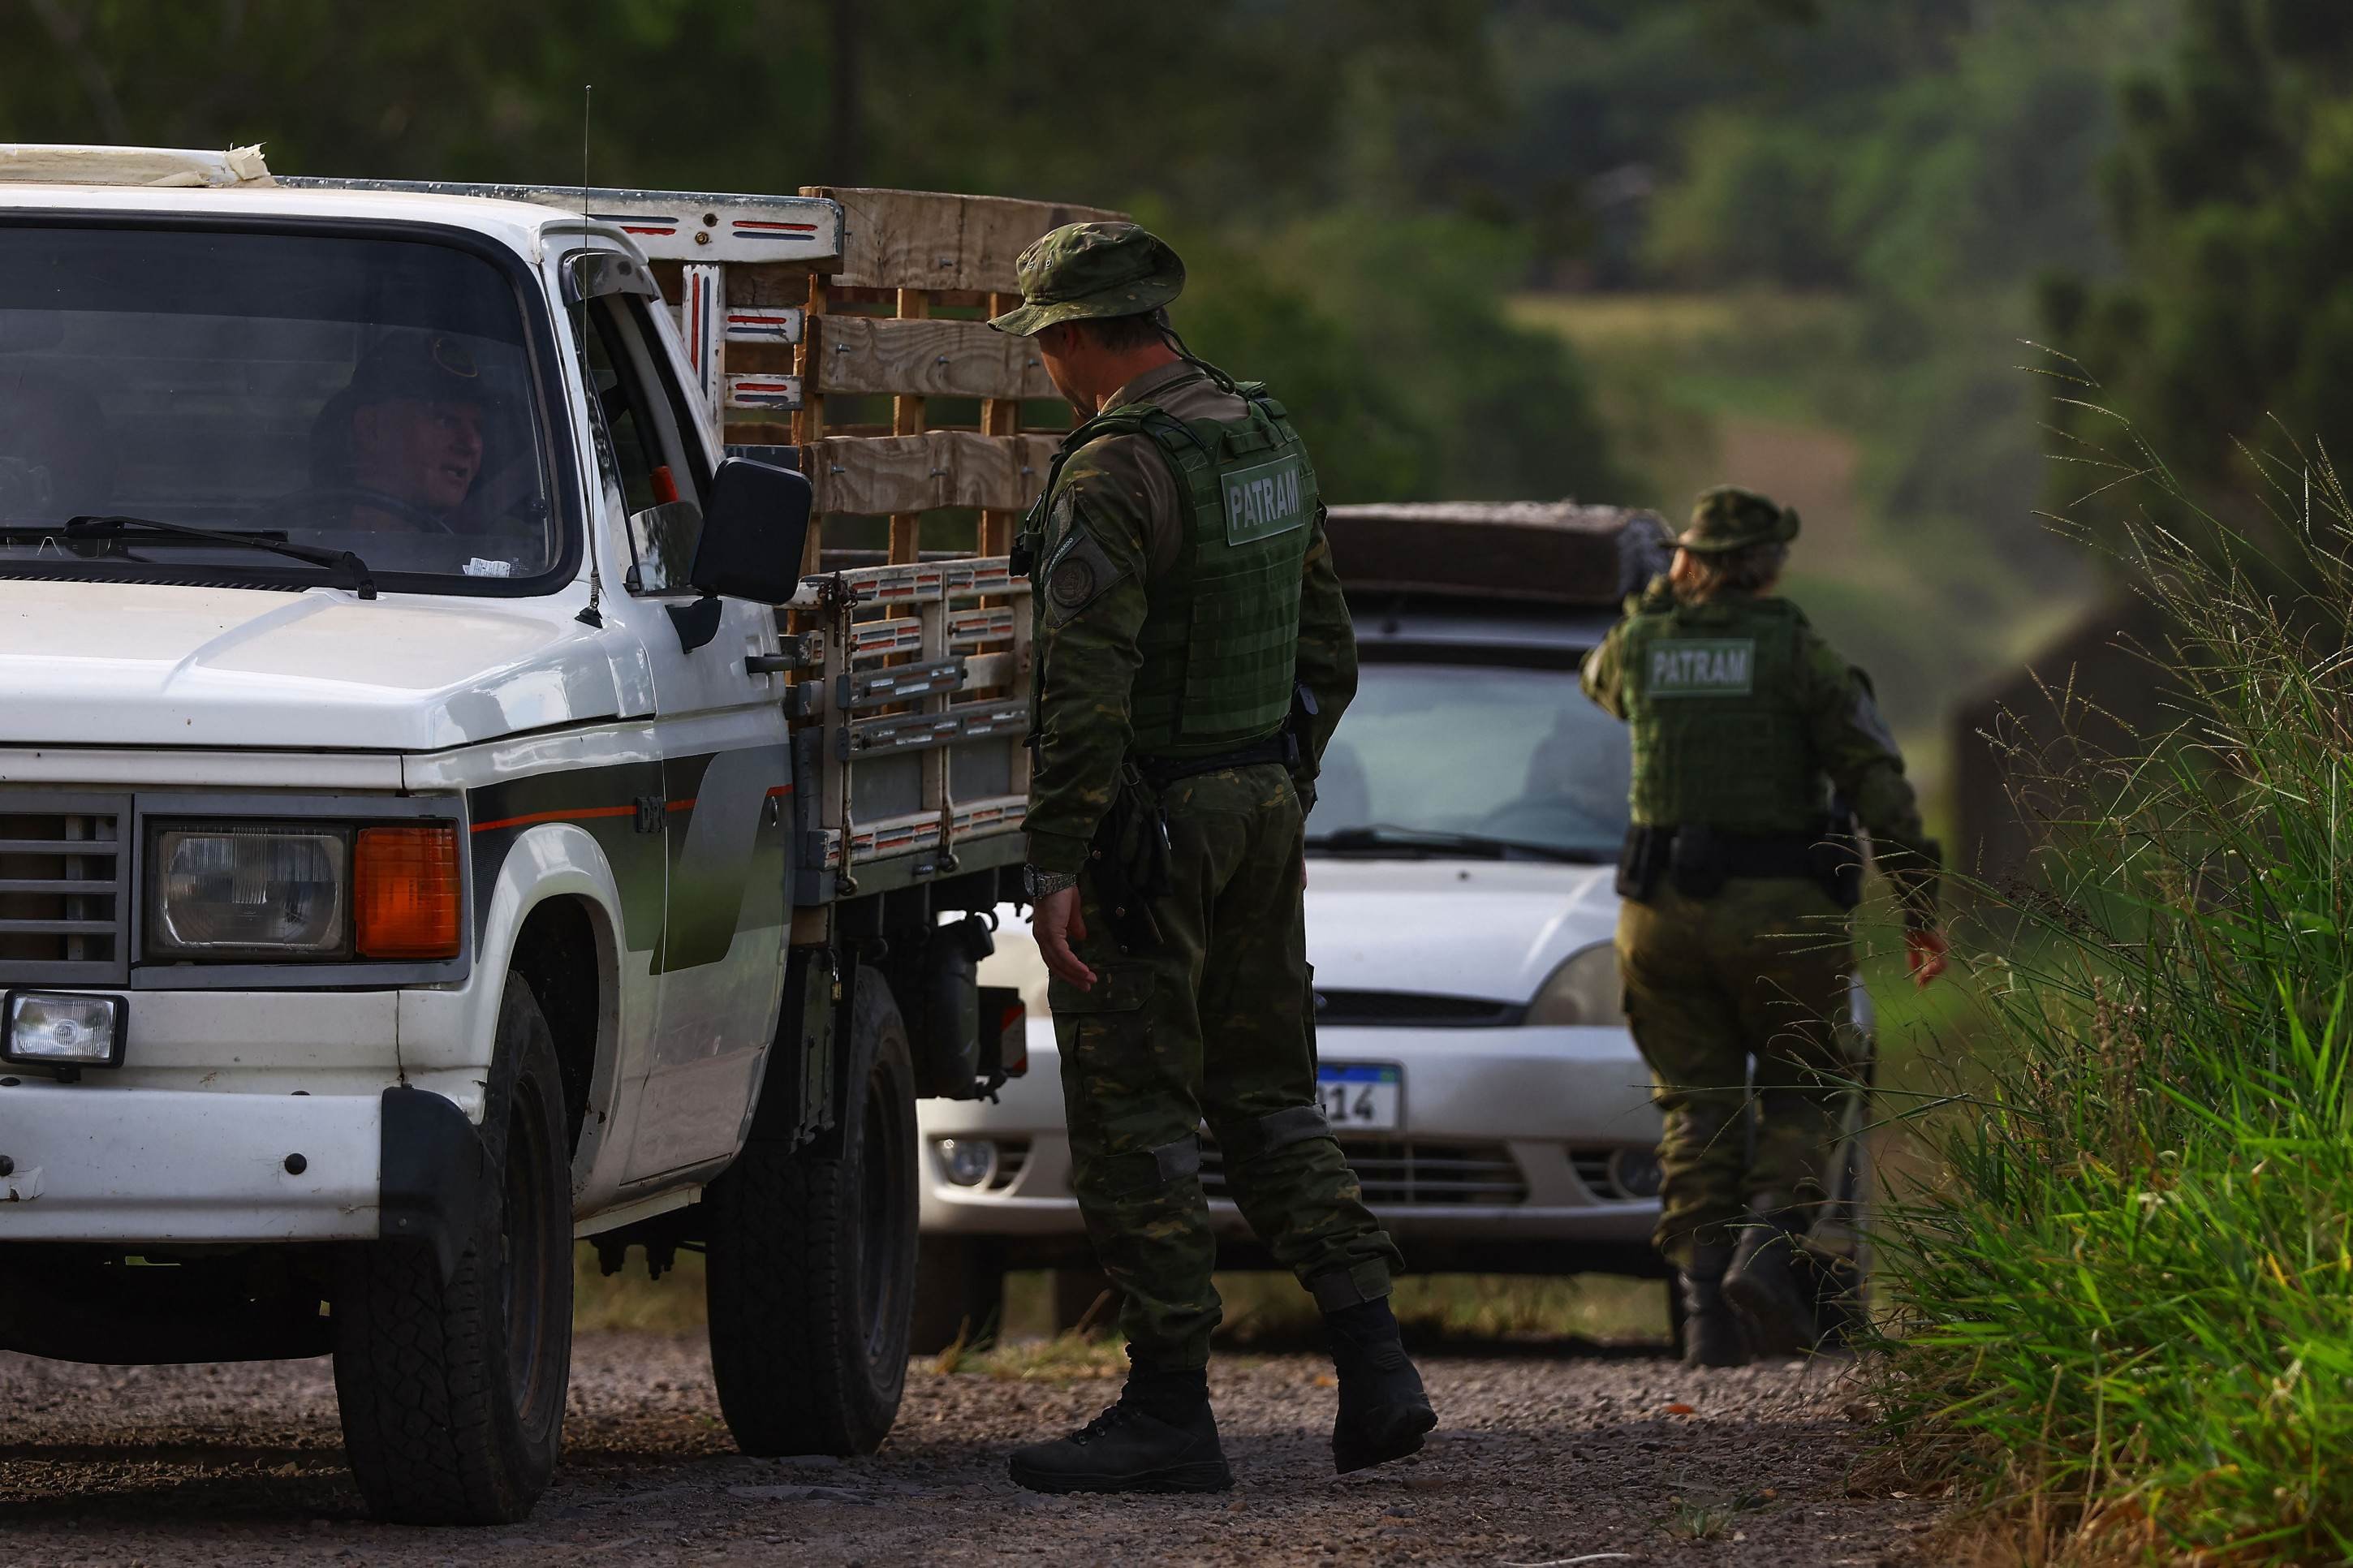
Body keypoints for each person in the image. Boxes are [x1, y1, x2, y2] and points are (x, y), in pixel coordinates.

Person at [989, 222, 1434, 1493]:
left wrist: (1057, 857)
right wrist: (1273, 788)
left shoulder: (1113, 471)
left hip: (1150, 834)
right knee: (1268, 1096)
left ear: (1077, 335)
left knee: (1135, 1112)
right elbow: (1327, 648)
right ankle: (1375, 1364)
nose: (1048, 372)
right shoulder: (1263, 438)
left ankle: (1169, 1409)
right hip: (1254, 811)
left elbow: (1086, 685)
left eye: (1046, 347)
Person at [1579, 486, 1947, 1368]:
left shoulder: (1641, 645)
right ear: (1766, 565)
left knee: (1695, 1109)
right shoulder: (1799, 656)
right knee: (1807, 1088)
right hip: (1780, 914)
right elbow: (1879, 786)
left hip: (1659, 917)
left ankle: (1705, 1323)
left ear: (1693, 562)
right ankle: (1764, 1251)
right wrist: (1919, 906)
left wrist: (1663, 600)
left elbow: (1597, 681)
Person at [314, 332, 487, 528]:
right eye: (444, 420)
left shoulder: (502, 547)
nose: (471, 443)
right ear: (370, 428)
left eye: (479, 427)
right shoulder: (291, 540)